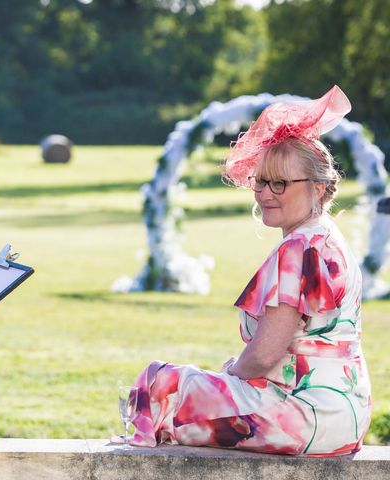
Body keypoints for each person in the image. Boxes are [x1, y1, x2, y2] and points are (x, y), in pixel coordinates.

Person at [125, 86, 371, 456]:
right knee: (192, 386)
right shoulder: (330, 239)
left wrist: (231, 376)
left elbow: (265, 354)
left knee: (161, 382)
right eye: (261, 181)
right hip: (346, 413)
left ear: (319, 188)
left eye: (281, 183)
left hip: (302, 414)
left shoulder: (298, 248)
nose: (265, 194)